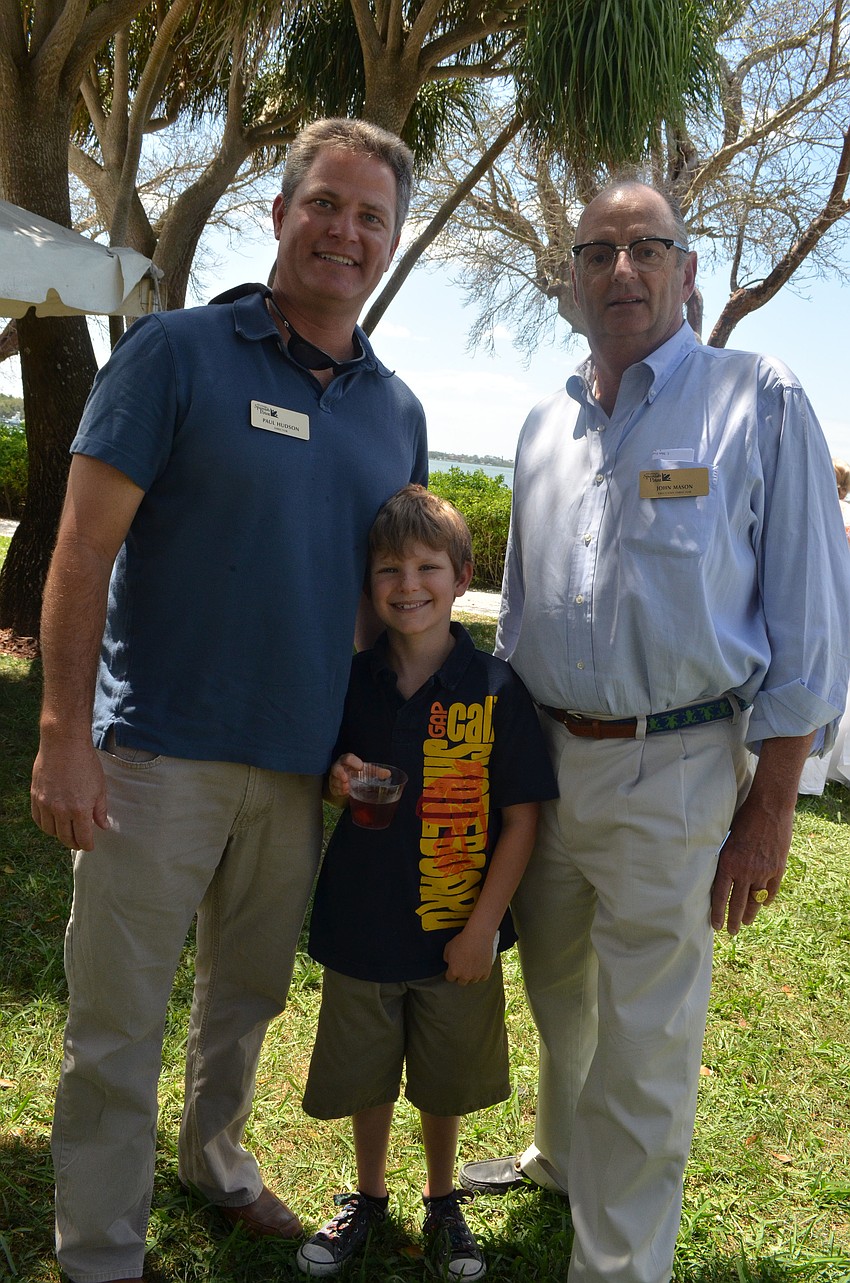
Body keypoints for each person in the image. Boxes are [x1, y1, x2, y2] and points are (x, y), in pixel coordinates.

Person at [30, 118, 428, 1283]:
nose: (344, 232)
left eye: (370, 217)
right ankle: (102, 1248)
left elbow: (383, 600)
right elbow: (80, 550)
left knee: (245, 997)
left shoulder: (396, 411)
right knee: (118, 1018)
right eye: (325, 204)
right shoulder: (174, 353)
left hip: (298, 767)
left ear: (392, 242)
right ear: (280, 213)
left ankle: (214, 1158)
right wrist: (62, 735)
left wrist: (363, 743)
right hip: (155, 752)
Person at [456, 180, 850, 1283]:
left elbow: (812, 621)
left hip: (675, 763)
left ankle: (620, 1265)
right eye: (598, 251)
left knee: (644, 1040)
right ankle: (561, 1159)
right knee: (560, 996)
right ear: (572, 277)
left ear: (687, 269)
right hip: (545, 765)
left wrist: (771, 805)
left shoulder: (757, 399)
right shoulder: (543, 424)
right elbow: (519, 614)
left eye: (646, 247)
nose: (621, 269)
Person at [295, 485, 558, 1279]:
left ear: (463, 576)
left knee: (442, 1079)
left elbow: (522, 819)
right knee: (368, 1071)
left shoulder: (497, 688)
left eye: (426, 567)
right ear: (369, 583)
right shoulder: (350, 680)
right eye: (389, 569)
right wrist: (337, 780)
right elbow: (328, 773)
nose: (407, 584)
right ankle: (369, 1195)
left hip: (456, 935)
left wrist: (484, 927)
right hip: (363, 922)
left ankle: (442, 1200)